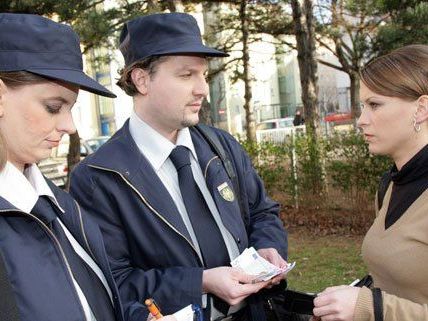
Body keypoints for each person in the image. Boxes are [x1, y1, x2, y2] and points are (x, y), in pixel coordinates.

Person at [70, 12, 288, 321]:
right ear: (141, 79)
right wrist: (200, 282)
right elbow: (112, 283)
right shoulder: (99, 177)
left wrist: (268, 245)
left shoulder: (221, 146)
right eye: (186, 75)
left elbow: (262, 213)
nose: (202, 89)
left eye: (202, 75)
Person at [0, 12, 174, 321]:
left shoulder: (65, 208)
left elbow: (88, 299)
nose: (69, 125)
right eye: (53, 107)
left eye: (71, 107)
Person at [312, 44, 428, 321]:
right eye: (362, 106)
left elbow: (379, 305)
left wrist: (370, 306)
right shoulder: (390, 185)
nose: (361, 121)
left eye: (375, 105)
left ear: (421, 108)